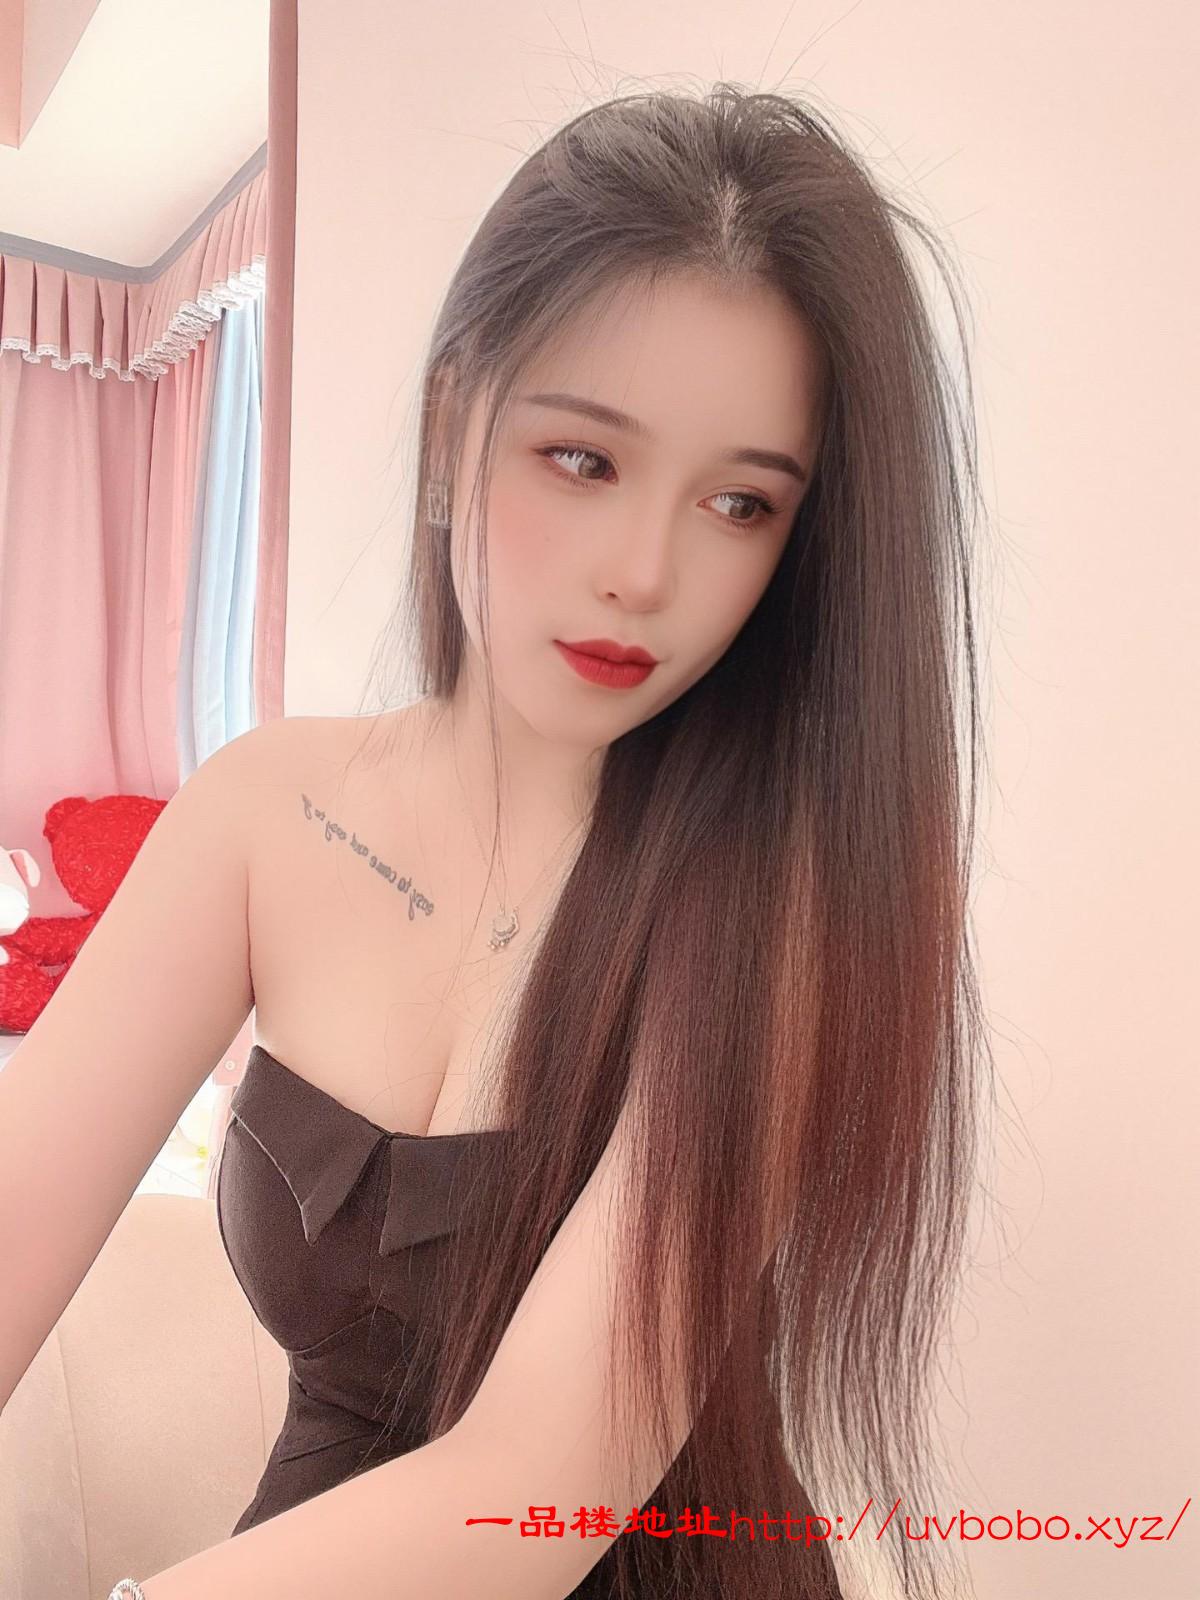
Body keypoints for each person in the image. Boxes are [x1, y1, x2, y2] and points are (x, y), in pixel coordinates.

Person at [0, 84, 990, 1600]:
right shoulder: (266, 813)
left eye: (740, 503)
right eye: (584, 460)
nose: (644, 572)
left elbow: (534, 1491)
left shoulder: (775, 919)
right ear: (457, 420)